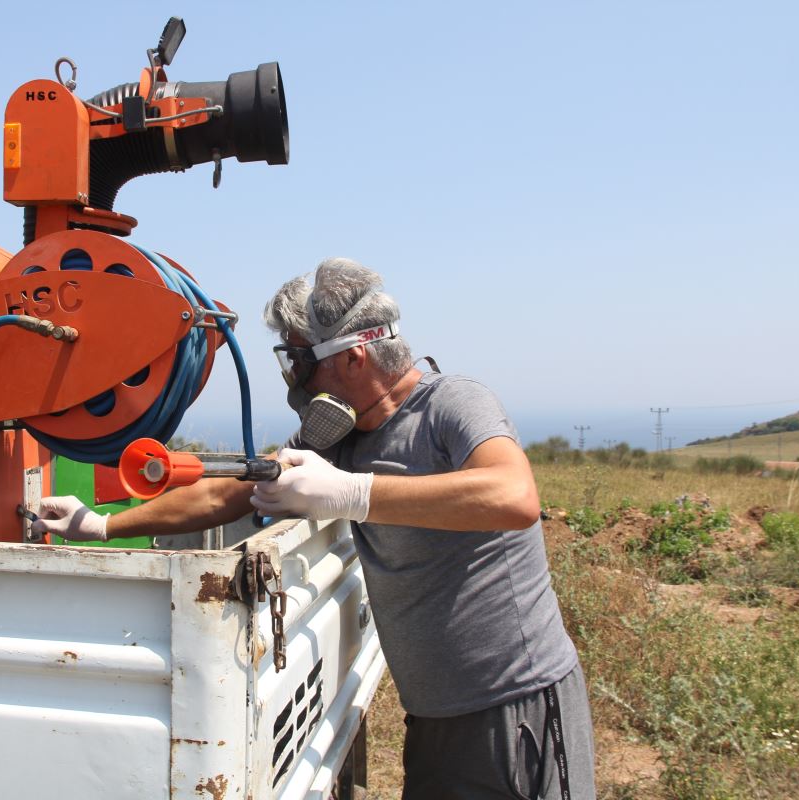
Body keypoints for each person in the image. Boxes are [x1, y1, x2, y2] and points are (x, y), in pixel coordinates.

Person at [33, 257, 596, 799]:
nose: (294, 379)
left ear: (353, 357)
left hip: (513, 704)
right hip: (435, 715)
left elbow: (513, 496)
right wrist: (102, 524)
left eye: (301, 361)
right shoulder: (339, 440)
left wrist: (353, 492)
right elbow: (225, 493)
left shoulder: (452, 403)